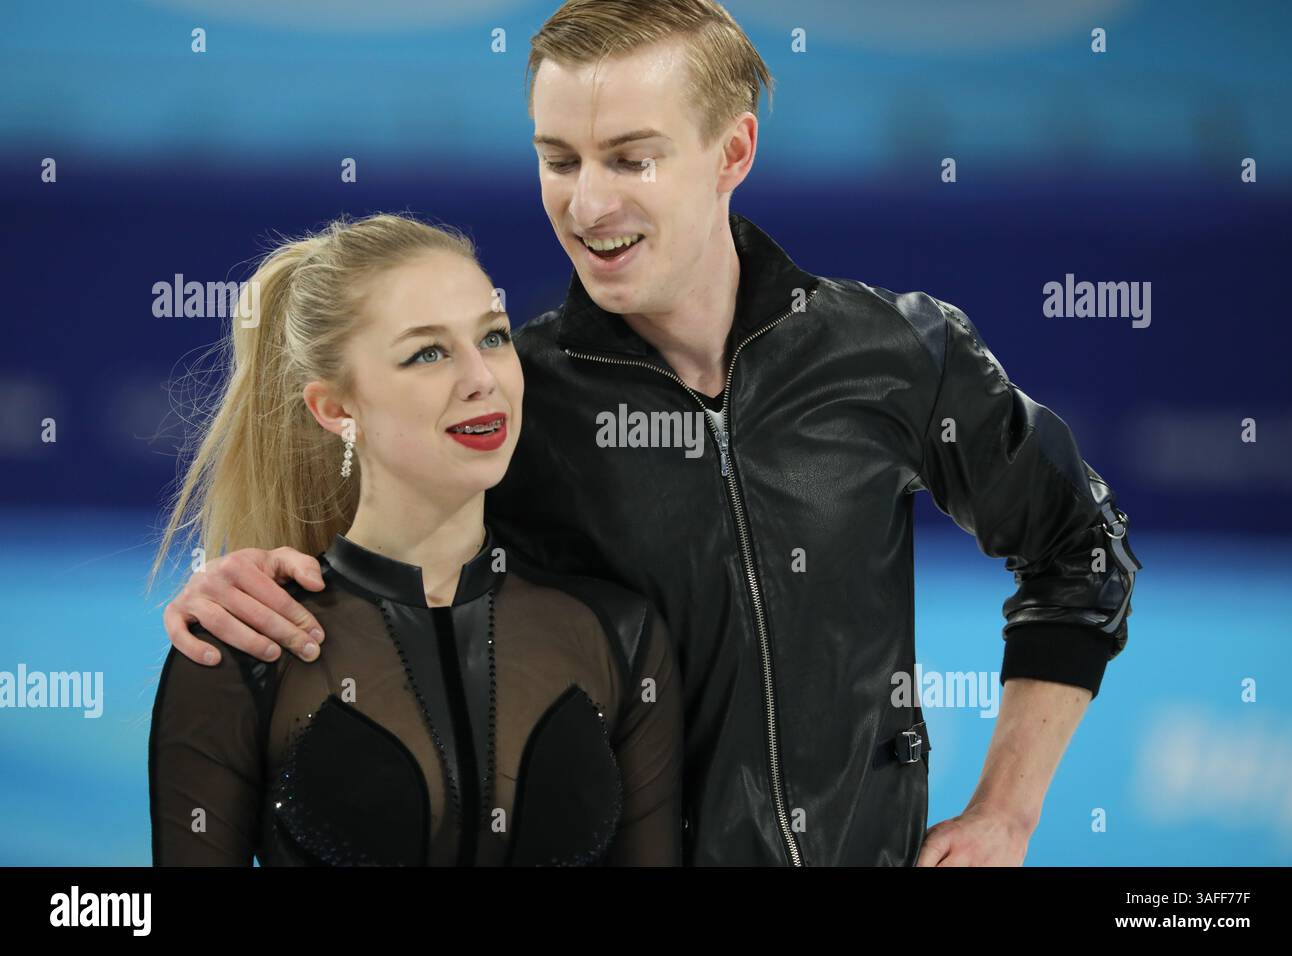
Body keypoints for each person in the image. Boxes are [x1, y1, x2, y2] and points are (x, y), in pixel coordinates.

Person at [160, 0, 1141, 866]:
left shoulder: (893, 351)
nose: (588, 203)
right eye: (560, 159)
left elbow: (1080, 550)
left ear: (732, 153)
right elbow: (357, 568)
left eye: (631, 157)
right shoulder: (511, 396)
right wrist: (233, 576)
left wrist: (1006, 808)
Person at [148, 213, 683, 866]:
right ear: (337, 408)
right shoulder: (249, 644)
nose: (480, 377)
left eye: (492, 337)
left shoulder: (617, 635)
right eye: (428, 352)